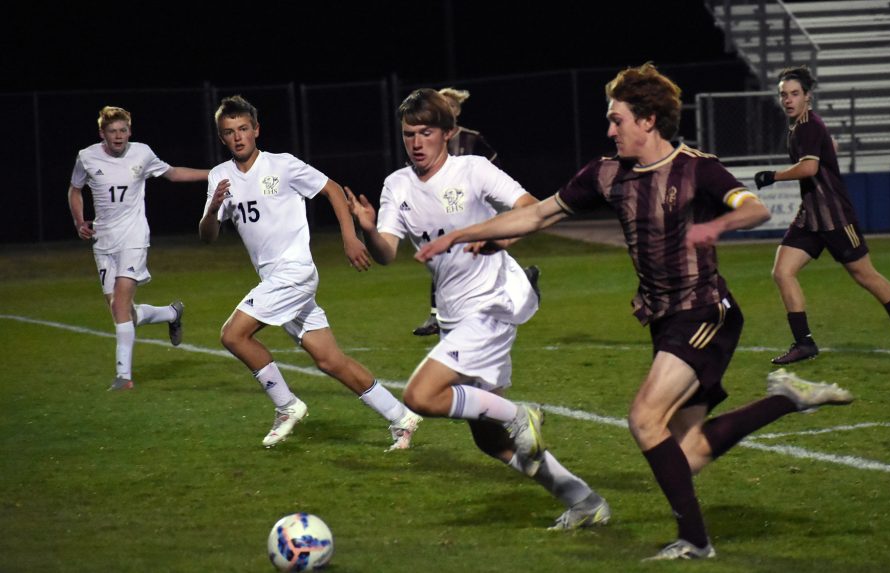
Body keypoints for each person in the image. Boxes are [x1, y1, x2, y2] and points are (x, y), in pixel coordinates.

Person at [415, 63, 856, 560]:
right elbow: (538, 213)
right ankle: (787, 399)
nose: (609, 129)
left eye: (617, 119)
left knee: (644, 419)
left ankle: (695, 542)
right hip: (666, 319)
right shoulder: (607, 174)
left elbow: (754, 209)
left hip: (705, 312)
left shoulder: (697, 168)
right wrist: (463, 234)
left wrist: (716, 227)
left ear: (647, 120)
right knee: (684, 456)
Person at [347, 88, 610, 530]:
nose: (416, 142)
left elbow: (530, 207)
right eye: (409, 133)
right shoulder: (397, 185)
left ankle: (521, 413)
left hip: (492, 304)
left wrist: (504, 239)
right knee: (490, 442)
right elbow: (387, 252)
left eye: (426, 132)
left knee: (420, 396)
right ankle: (583, 500)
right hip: (454, 317)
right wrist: (370, 229)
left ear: (448, 133)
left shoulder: (474, 170)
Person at [198, 95, 421, 450]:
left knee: (233, 335)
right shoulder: (219, 176)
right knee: (330, 360)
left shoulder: (282, 165)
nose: (238, 137)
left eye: (243, 129)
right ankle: (401, 417)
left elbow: (331, 189)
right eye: (229, 132)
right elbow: (207, 236)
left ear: (256, 130)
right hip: (273, 279)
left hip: (294, 271)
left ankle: (287, 406)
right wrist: (212, 210)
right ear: (221, 137)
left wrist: (350, 237)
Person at [753, 66, 890, 365]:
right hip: (810, 216)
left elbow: (809, 168)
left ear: (808, 96)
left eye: (795, 94)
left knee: (865, 275)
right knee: (782, 272)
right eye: (784, 94)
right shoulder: (800, 125)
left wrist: (773, 175)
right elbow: (824, 149)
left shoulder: (807, 125)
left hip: (835, 216)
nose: (788, 99)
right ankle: (804, 343)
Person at [68, 106, 208, 391]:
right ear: (102, 134)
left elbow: (173, 174)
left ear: (129, 131)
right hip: (104, 241)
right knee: (121, 310)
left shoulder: (142, 153)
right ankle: (171, 313)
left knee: (120, 305)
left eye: (123, 130)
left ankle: (123, 377)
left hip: (134, 237)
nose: (118, 136)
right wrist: (79, 221)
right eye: (112, 131)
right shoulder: (86, 157)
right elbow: (74, 190)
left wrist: (214, 172)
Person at [411, 87, 542, 336]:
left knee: (470, 257)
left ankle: (444, 315)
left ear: (457, 110)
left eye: (450, 105)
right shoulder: (429, 139)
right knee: (446, 258)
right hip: (444, 208)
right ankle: (439, 315)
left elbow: (494, 169)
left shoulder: (471, 139)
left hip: (473, 208)